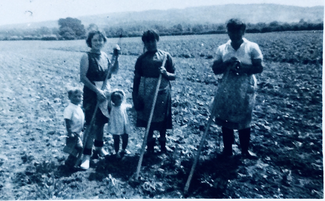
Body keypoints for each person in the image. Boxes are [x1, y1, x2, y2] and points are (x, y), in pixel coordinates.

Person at [211, 18, 263, 158]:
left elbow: (259, 67)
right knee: (226, 119)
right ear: (228, 32)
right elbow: (215, 69)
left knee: (244, 119)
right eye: (231, 31)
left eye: (238, 31)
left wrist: (243, 68)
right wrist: (227, 63)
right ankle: (227, 150)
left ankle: (245, 150)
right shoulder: (222, 48)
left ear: (243, 31)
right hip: (227, 87)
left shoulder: (252, 47)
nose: (234, 34)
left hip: (245, 87)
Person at [79, 29, 120, 170]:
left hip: (105, 92)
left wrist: (117, 57)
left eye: (100, 40)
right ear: (90, 42)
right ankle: (86, 156)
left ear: (104, 41)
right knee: (91, 125)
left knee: (101, 123)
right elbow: (83, 78)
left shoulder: (105, 56)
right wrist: (97, 91)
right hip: (92, 92)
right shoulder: (86, 57)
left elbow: (113, 72)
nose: (98, 42)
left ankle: (99, 147)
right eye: (95, 40)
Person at [132, 29, 176, 154]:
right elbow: (136, 79)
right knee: (148, 120)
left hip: (162, 93)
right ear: (144, 43)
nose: (151, 44)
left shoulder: (166, 56)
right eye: (147, 42)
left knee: (163, 120)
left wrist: (166, 73)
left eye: (153, 41)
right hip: (146, 93)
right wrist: (135, 97)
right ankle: (150, 146)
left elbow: (174, 76)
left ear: (157, 40)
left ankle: (163, 145)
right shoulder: (141, 59)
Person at [63, 88, 85, 167]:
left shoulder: (78, 108)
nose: (77, 98)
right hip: (73, 132)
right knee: (78, 147)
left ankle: (72, 161)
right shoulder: (69, 108)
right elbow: (67, 120)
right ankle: (71, 162)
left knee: (76, 149)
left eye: (79, 96)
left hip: (79, 132)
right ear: (69, 97)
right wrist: (70, 132)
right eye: (75, 96)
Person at [107, 89, 131, 158]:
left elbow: (129, 104)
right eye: (116, 100)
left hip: (123, 125)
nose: (119, 101)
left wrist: (119, 90)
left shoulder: (123, 106)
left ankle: (124, 149)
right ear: (113, 101)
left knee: (125, 137)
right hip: (116, 126)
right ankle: (117, 151)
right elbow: (108, 101)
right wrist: (112, 93)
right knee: (116, 139)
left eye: (120, 99)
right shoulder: (112, 107)